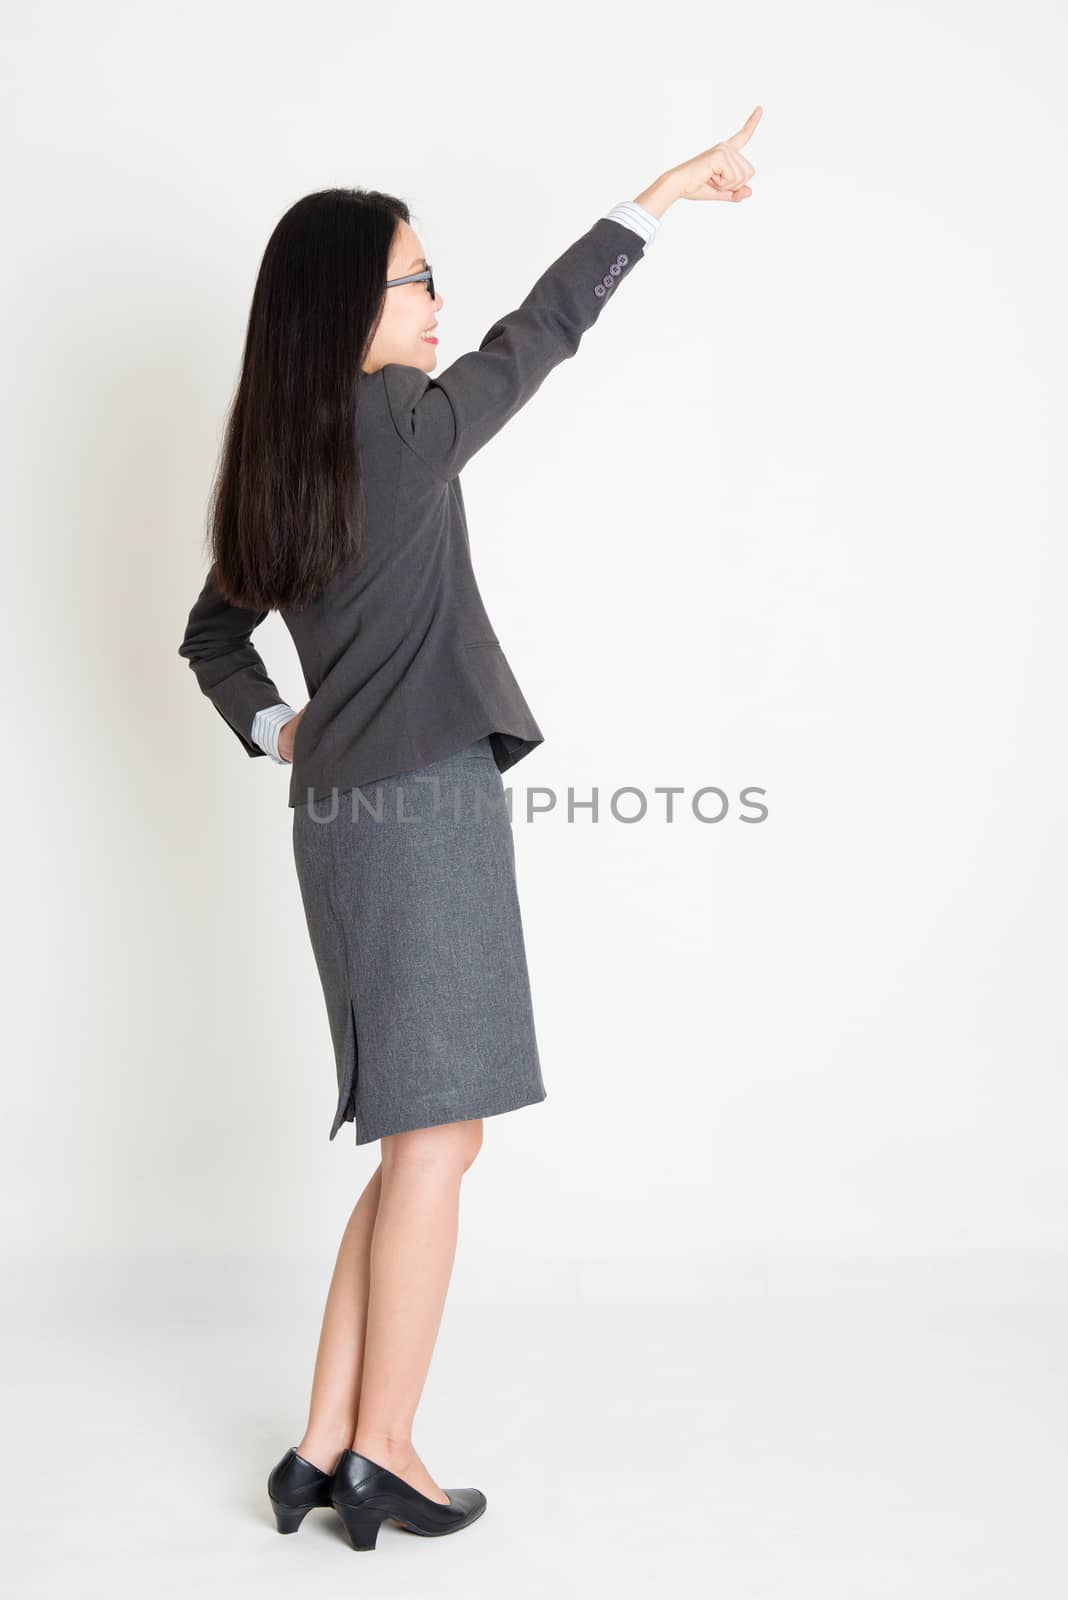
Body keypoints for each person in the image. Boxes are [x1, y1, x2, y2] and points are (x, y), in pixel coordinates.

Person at [178, 110, 762, 1553]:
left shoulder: (282, 452)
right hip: (425, 806)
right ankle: (385, 1448)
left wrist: (277, 728)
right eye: (415, 279)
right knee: (439, 1144)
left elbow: (213, 638)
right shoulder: (395, 422)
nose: (437, 302)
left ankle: (321, 1440)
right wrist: (651, 205)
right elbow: (535, 339)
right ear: (349, 312)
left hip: (337, 820)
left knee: (416, 1141)